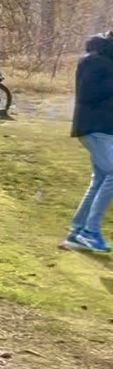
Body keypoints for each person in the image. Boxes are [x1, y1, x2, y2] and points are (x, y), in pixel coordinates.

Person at [60, 32, 113, 253]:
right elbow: (87, 94)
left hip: (105, 129)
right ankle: (89, 232)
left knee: (100, 178)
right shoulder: (94, 59)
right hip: (93, 128)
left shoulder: (106, 60)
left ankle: (77, 232)